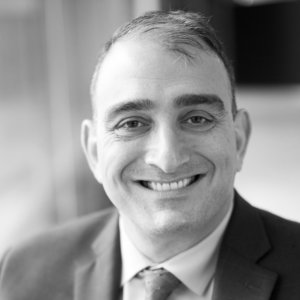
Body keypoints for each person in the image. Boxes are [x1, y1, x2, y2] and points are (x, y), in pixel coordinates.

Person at [0, 10, 300, 300]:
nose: (167, 159)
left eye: (197, 119)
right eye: (132, 123)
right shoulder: (24, 272)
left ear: (239, 140)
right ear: (93, 152)